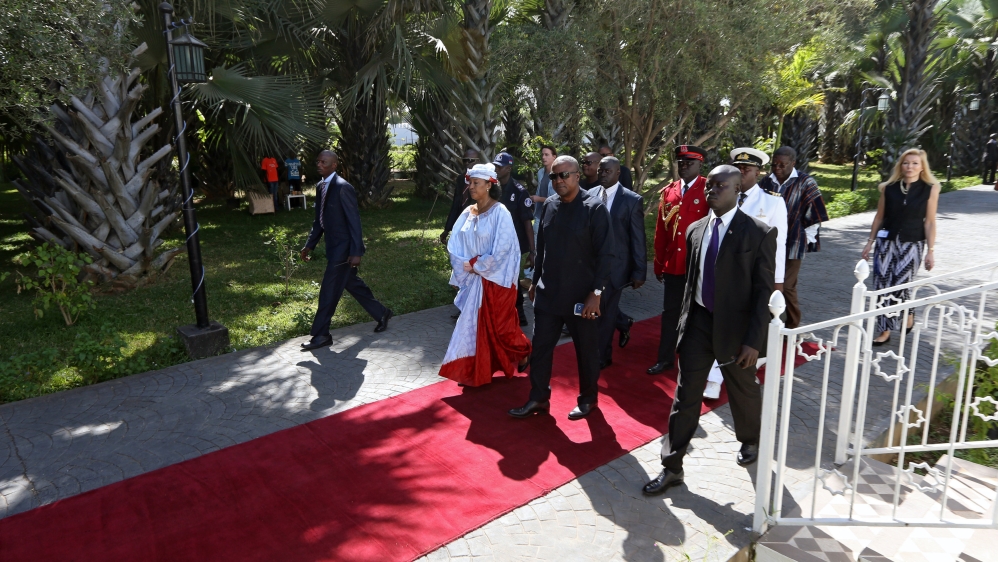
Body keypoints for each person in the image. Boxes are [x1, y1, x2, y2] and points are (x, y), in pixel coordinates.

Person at [642, 165, 776, 496]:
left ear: (736, 191)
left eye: (720, 186)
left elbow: (763, 295)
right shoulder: (695, 230)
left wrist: (754, 342)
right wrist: (684, 326)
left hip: (737, 331)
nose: (711, 191)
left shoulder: (759, 233)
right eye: (709, 186)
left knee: (743, 391)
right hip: (700, 324)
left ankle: (750, 441)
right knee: (685, 396)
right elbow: (691, 284)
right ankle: (672, 466)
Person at [509, 155, 614, 421]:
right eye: (554, 176)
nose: (558, 181)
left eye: (564, 175)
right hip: (548, 294)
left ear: (578, 176)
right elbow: (542, 248)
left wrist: (596, 293)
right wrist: (534, 280)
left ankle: (588, 400)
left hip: (582, 298)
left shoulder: (594, 208)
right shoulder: (551, 206)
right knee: (541, 348)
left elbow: (606, 255)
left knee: (586, 351)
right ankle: (538, 398)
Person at [697, 147, 788, 400]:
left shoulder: (772, 201)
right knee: (721, 324)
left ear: (758, 172)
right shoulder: (719, 194)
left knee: (750, 324)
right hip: (722, 275)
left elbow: (779, 246)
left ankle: (751, 362)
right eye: (738, 168)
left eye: (747, 169)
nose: (742, 172)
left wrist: (777, 282)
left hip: (754, 275)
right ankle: (714, 378)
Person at [439, 164, 532, 386]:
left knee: (501, 327)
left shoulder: (501, 213)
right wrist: (461, 269)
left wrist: (476, 264)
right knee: (472, 327)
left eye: (476, 183)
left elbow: (503, 250)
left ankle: (523, 350)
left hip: (498, 280)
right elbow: (455, 244)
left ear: (489, 186)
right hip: (474, 280)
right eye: (470, 183)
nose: (470, 187)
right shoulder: (467, 213)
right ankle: (474, 368)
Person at [300, 150, 393, 351]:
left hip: (344, 251)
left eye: (323, 162)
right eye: (318, 161)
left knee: (328, 291)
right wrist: (310, 244)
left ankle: (321, 335)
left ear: (334, 166)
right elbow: (319, 221)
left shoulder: (343, 187)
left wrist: (357, 252)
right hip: (333, 248)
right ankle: (382, 313)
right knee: (351, 283)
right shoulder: (320, 186)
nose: (319, 164)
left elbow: (354, 222)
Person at [861, 148, 940, 346]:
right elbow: (879, 216)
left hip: (912, 242)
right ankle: (884, 330)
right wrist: (869, 242)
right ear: (900, 165)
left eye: (915, 163)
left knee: (901, 284)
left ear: (922, 167)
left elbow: (930, 222)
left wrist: (930, 252)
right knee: (881, 284)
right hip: (886, 242)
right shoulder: (889, 188)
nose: (910, 167)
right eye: (906, 163)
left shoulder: (929, 189)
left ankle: (909, 311)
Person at [648, 145, 710, 376]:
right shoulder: (669, 191)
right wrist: (659, 262)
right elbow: (661, 231)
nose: (684, 167)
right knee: (670, 313)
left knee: (697, 314)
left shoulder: (708, 188)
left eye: (689, 163)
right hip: (674, 264)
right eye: (681, 163)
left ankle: (694, 360)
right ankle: (665, 358)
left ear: (700, 164)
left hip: (698, 265)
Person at [758, 146, 829, 329]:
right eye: (774, 164)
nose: (777, 168)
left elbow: (814, 213)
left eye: (783, 164)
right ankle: (766, 324)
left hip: (793, 241)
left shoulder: (806, 182)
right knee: (766, 282)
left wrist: (807, 239)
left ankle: (793, 325)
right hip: (768, 242)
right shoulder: (766, 182)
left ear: (793, 163)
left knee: (786, 285)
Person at [588, 156, 646, 369]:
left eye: (607, 171)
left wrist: (640, 271)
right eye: (600, 170)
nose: (602, 174)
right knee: (595, 312)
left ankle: (601, 356)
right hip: (592, 266)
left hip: (616, 269)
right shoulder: (589, 195)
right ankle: (608, 345)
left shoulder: (631, 200)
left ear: (618, 173)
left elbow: (637, 238)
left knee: (606, 312)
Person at [494, 152, 536, 326]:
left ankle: (519, 312)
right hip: (494, 244)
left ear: (508, 168)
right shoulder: (492, 188)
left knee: (512, 278)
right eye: (495, 166)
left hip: (514, 245)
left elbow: (527, 224)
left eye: (499, 166)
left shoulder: (519, 191)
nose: (496, 169)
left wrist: (532, 252)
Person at [441, 149, 481, 245]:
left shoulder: (484, 180)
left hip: (477, 223)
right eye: (465, 160)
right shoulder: (461, 179)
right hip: (462, 221)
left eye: (471, 160)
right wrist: (447, 229)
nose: (467, 163)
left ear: (478, 161)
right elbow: (456, 204)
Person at [532, 145, 557, 236]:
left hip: (553, 216)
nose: (543, 157)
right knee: (537, 245)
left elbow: (557, 198)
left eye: (547, 155)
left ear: (554, 157)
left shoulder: (557, 174)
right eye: (542, 154)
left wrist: (538, 199)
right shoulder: (540, 172)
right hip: (539, 214)